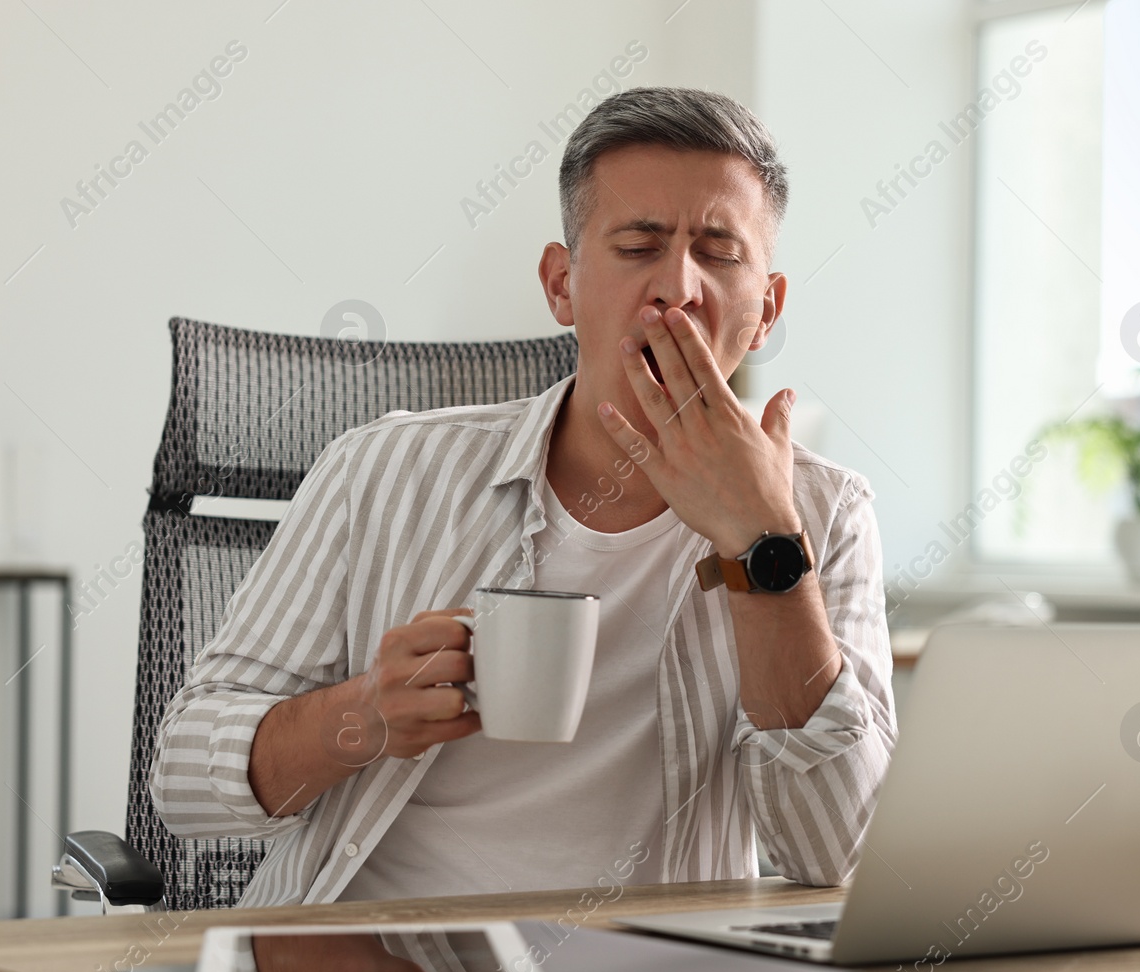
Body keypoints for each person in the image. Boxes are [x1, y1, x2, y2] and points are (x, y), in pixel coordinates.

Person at [151, 86, 896, 907]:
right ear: (561, 285)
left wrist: (765, 548)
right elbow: (183, 780)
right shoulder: (382, 470)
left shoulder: (825, 514)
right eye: (638, 244)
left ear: (766, 312)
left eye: (718, 252)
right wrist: (363, 712)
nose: (676, 287)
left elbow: (836, 849)